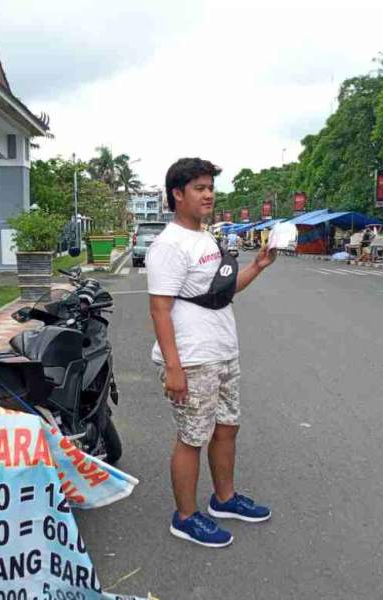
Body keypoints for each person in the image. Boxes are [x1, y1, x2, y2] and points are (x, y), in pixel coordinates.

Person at [146, 157, 276, 548]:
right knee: (192, 437)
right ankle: (185, 517)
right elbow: (159, 308)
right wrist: (174, 366)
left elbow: (221, 291)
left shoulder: (204, 238)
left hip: (222, 351)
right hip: (192, 356)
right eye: (200, 188)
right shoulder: (168, 245)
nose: (208, 194)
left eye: (210, 187)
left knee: (227, 427)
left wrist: (258, 266)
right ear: (177, 194)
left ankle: (225, 499)